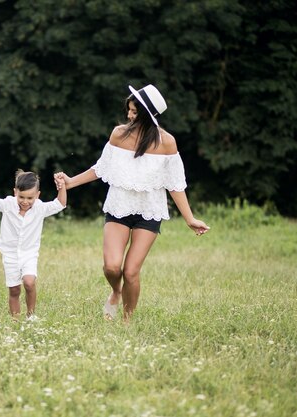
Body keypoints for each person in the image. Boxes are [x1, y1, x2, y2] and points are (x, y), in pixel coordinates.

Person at [56, 84, 210, 322]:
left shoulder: (168, 143)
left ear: (149, 115)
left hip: (148, 213)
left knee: (131, 271)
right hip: (119, 206)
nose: (129, 115)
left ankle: (127, 322)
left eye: (134, 112)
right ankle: (116, 292)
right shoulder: (119, 134)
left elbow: (176, 184)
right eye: (129, 110)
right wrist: (69, 183)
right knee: (112, 267)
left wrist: (190, 218)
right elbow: (101, 168)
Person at [0, 170, 67, 320]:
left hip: (29, 253)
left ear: (37, 195)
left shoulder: (40, 208)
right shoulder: (8, 204)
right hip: (10, 254)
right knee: (15, 289)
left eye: (30, 198)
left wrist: (62, 186)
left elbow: (60, 204)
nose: (25, 201)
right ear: (15, 192)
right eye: (21, 197)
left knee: (29, 282)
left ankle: (31, 316)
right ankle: (16, 320)